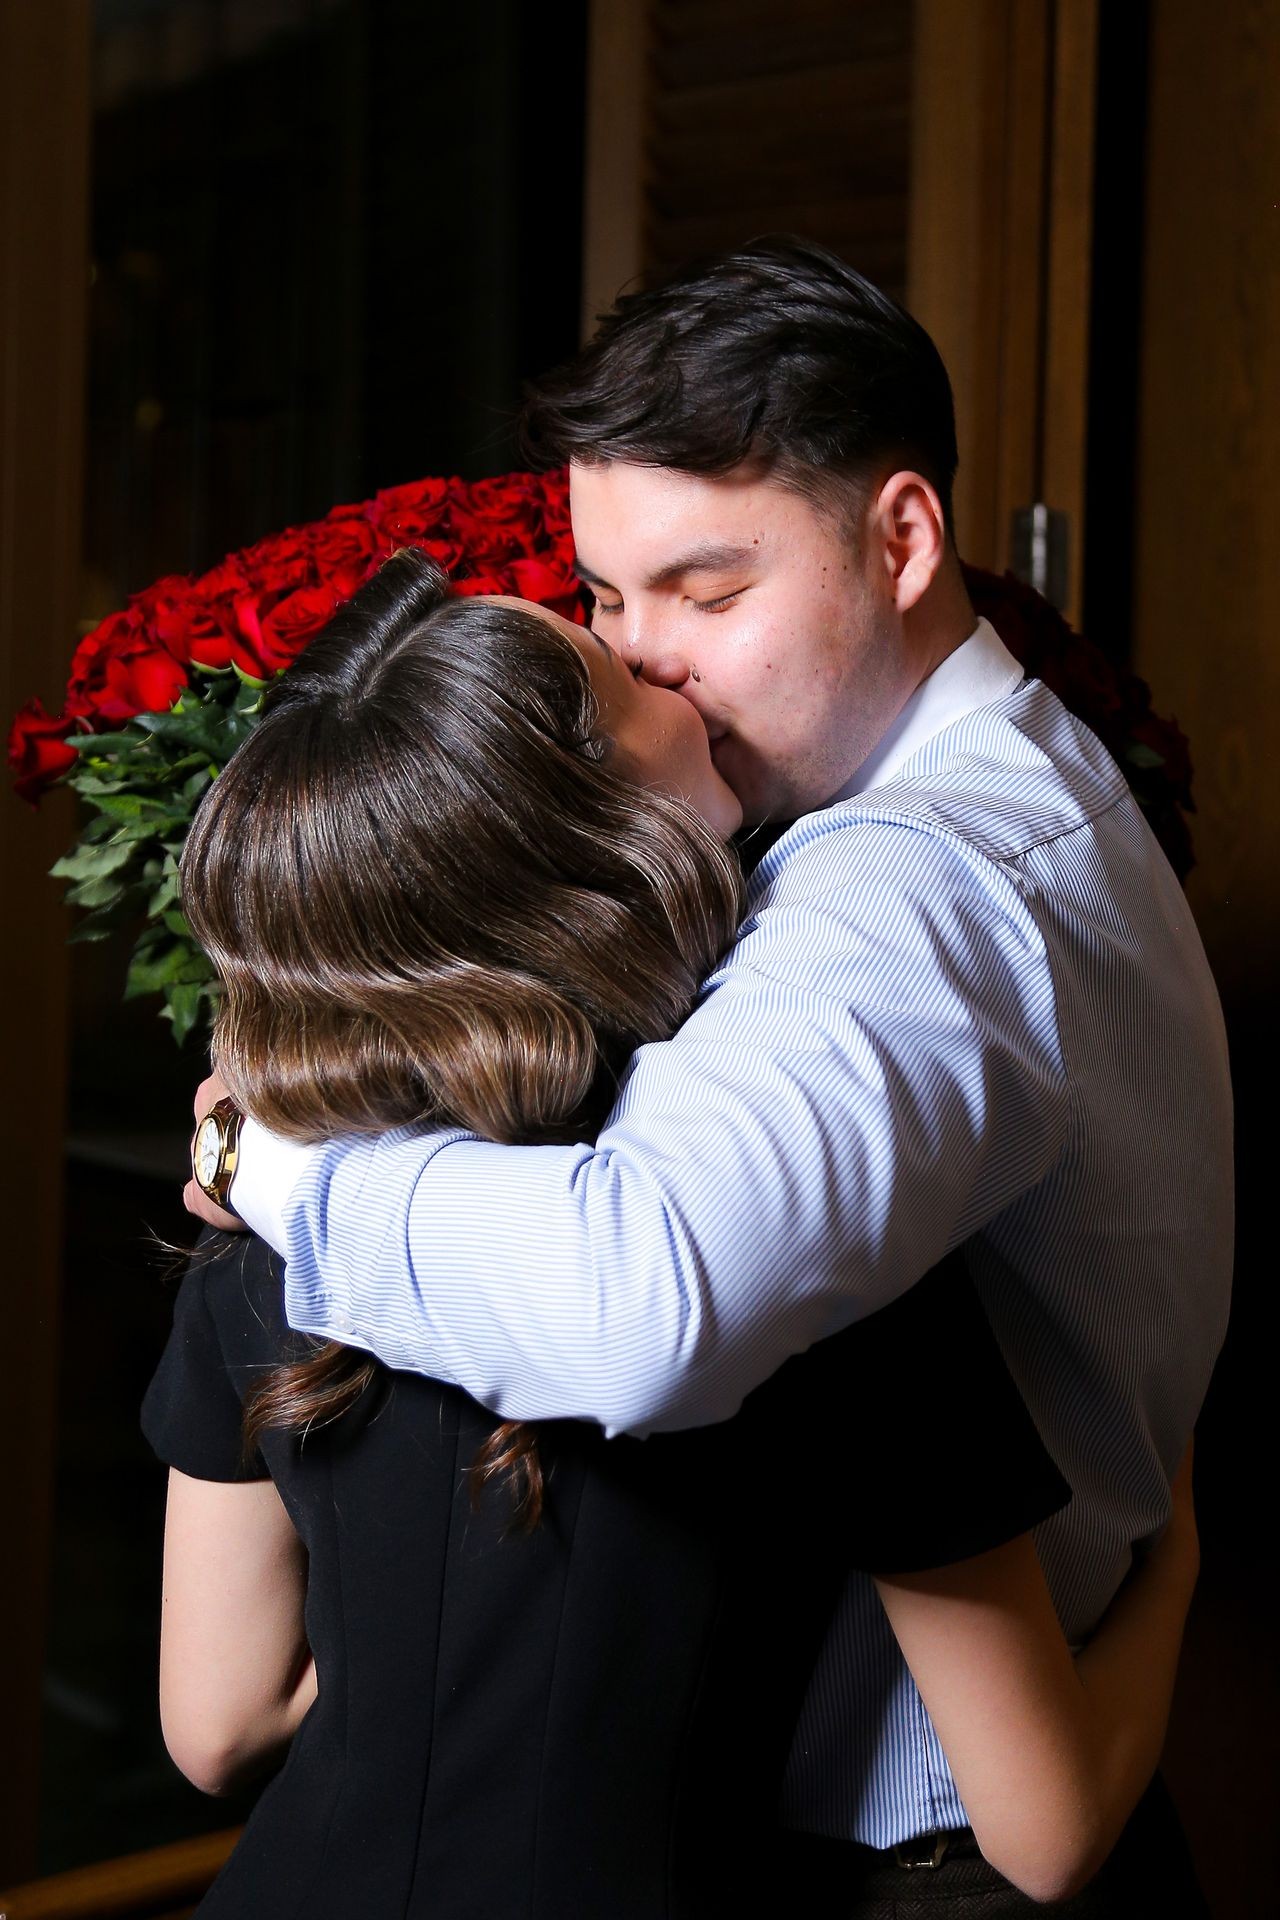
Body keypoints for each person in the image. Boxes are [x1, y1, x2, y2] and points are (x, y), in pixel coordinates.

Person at [186, 242, 1233, 1906]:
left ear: (902, 540)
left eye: (709, 590)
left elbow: (640, 1301)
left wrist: (277, 1168)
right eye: (608, 599)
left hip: (908, 1862)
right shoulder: (1028, 775)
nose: (651, 657)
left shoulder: (906, 894)